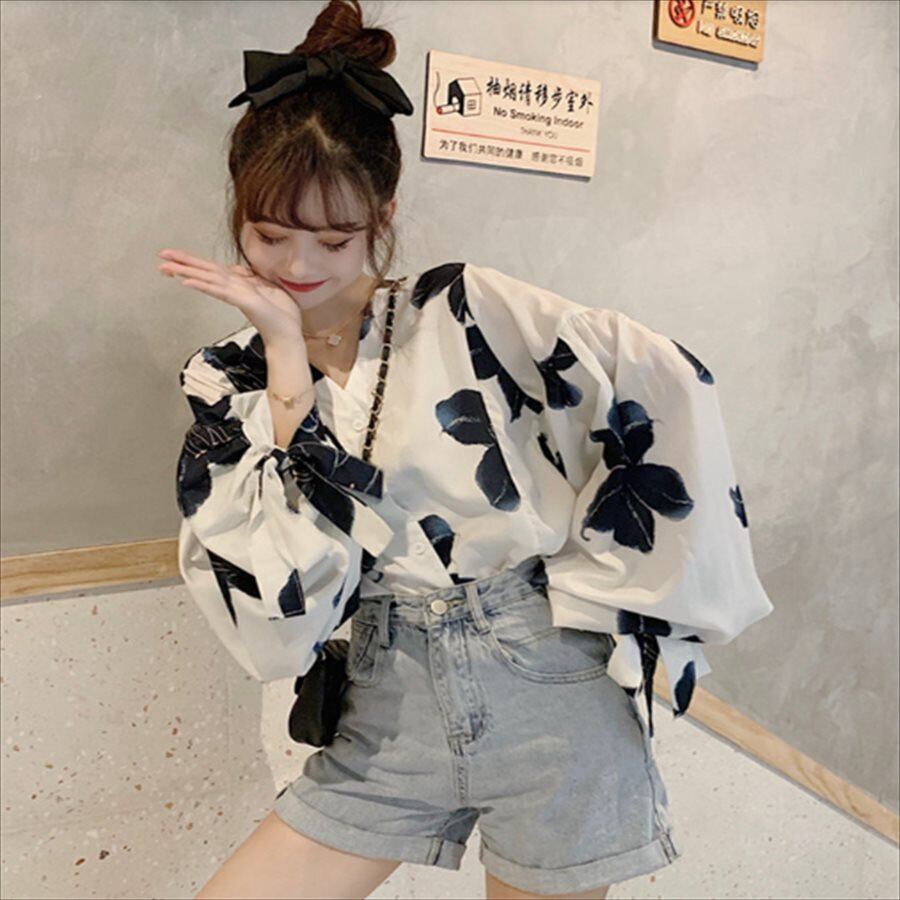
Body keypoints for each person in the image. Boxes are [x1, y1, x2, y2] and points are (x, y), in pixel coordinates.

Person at [162, 2, 773, 898]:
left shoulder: (467, 310)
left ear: (384, 214)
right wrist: (287, 357)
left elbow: (666, 385)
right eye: (268, 235)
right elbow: (280, 612)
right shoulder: (229, 379)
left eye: (334, 239)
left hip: (549, 687)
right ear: (237, 216)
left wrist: (611, 597)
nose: (296, 265)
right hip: (385, 702)